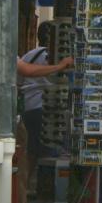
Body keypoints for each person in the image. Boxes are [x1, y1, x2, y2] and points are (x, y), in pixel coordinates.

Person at [17, 23, 73, 190]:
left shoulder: (29, 55)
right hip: (45, 107)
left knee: (31, 151)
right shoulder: (60, 59)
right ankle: (43, 188)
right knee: (48, 149)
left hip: (29, 107)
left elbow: (19, 81)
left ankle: (26, 187)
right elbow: (26, 72)